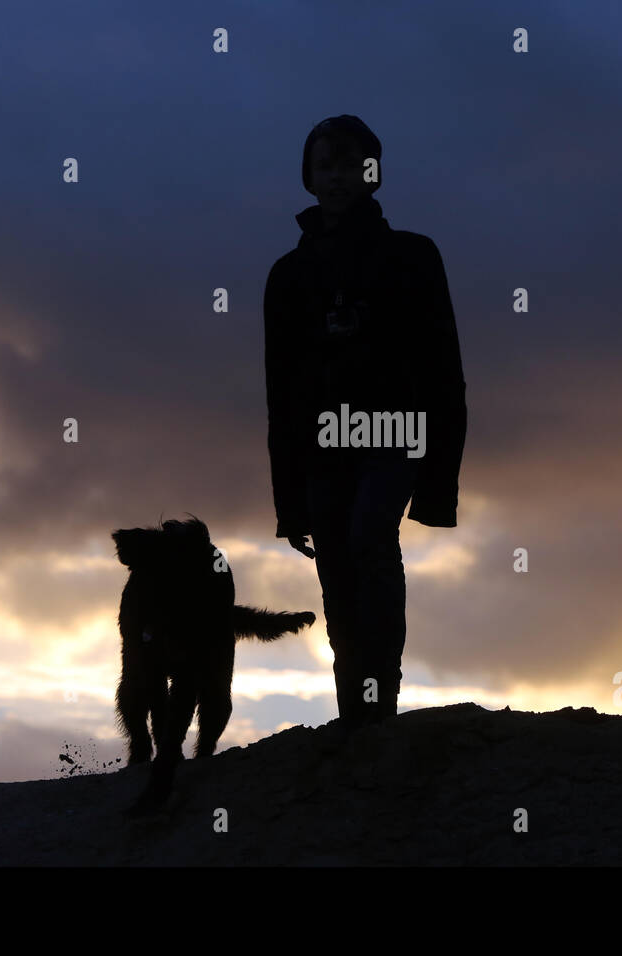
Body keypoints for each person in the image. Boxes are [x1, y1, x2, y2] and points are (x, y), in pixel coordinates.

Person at [263, 115, 467, 735]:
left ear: (373, 173)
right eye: (325, 165)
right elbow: (282, 393)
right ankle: (356, 711)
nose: (337, 177)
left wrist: (438, 486)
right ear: (308, 176)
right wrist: (288, 503)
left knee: (369, 540)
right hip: (323, 444)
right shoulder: (289, 276)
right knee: (337, 571)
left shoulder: (412, 256)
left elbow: (443, 368)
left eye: (350, 164)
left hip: (394, 431)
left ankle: (379, 710)